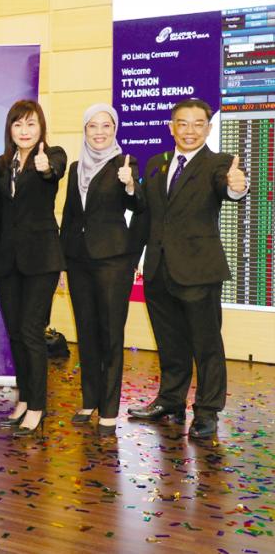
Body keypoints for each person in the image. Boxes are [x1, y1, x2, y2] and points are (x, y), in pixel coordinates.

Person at [128, 98, 248, 440]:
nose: (190, 130)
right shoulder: (158, 163)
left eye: (198, 123)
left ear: (209, 128)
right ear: (172, 127)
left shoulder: (219, 164)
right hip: (158, 269)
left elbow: (229, 187)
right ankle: (170, 401)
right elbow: (147, 213)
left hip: (198, 271)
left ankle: (207, 411)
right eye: (183, 123)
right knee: (169, 343)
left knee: (206, 345)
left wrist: (237, 188)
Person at [60, 103, 145, 436]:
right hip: (78, 259)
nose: (99, 132)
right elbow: (69, 216)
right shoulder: (74, 168)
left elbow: (139, 206)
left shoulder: (124, 163)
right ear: (84, 131)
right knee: (87, 331)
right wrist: (63, 262)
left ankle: (109, 409)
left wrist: (130, 186)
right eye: (92, 126)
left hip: (112, 259)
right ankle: (90, 399)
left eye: (105, 126)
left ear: (114, 130)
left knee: (110, 333)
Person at [0, 99, 66, 437]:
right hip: (8, 262)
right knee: (16, 333)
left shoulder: (53, 155)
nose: (25, 131)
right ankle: (24, 398)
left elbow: (55, 172)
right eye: (18, 125)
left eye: (31, 124)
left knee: (32, 331)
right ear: (10, 129)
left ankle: (37, 406)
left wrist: (44, 166)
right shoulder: (2, 164)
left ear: (41, 128)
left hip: (41, 260)